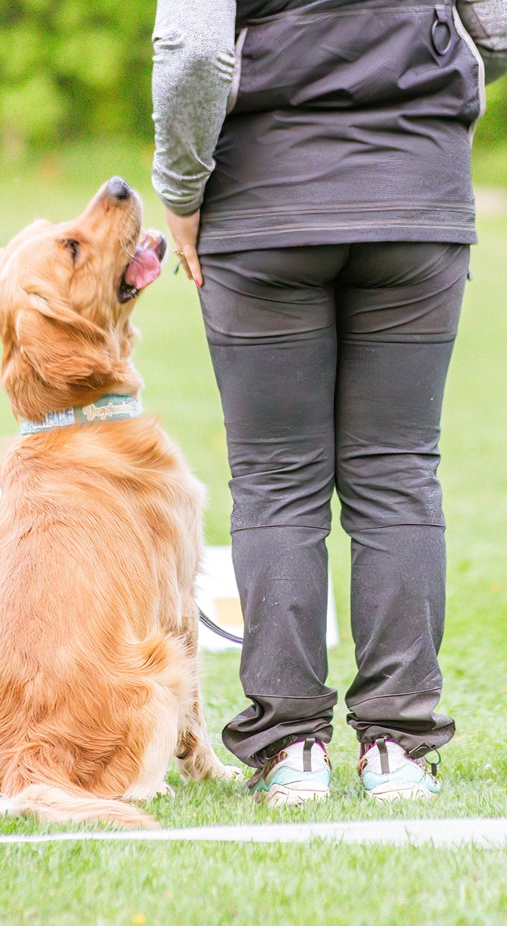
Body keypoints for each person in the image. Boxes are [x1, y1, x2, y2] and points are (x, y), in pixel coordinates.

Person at [151, 0, 507, 804]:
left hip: (263, 206)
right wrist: (420, 108)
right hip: (416, 203)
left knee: (277, 482)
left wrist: (180, 187)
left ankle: (291, 752)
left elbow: (193, 50)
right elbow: (496, 27)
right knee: (399, 474)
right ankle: (400, 753)